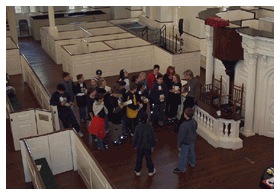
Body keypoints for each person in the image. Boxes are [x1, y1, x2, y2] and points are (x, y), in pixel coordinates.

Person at [173, 108, 198, 173]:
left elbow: (180, 136)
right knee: (192, 152)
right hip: (192, 140)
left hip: (185, 143)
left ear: (185, 115)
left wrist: (178, 145)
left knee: (183, 155)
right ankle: (192, 163)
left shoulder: (183, 125)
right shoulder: (194, 121)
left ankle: (182, 168)